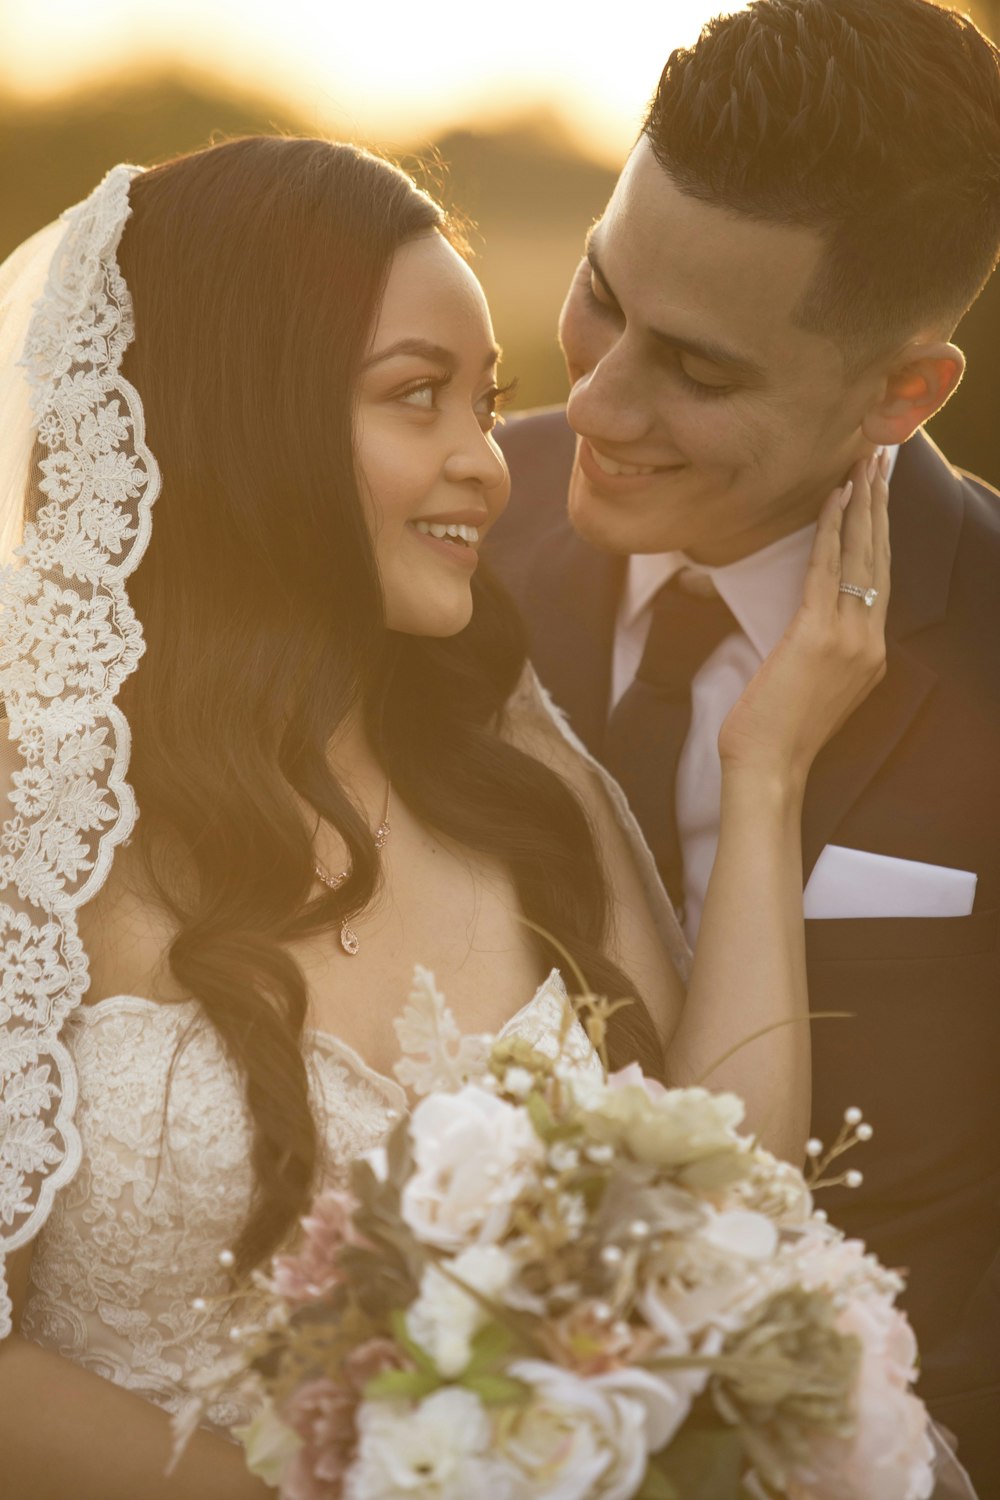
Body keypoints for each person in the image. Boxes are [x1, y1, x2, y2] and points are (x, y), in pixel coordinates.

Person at [0, 135, 889, 1499]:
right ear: (246, 410)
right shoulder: (32, 815)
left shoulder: (517, 781)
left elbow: (723, 1219)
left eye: (487, 405)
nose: (489, 465)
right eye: (419, 399)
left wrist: (765, 774)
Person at [489, 0, 1000, 1490]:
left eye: (698, 373)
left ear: (902, 393)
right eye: (600, 292)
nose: (593, 398)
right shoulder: (427, 545)